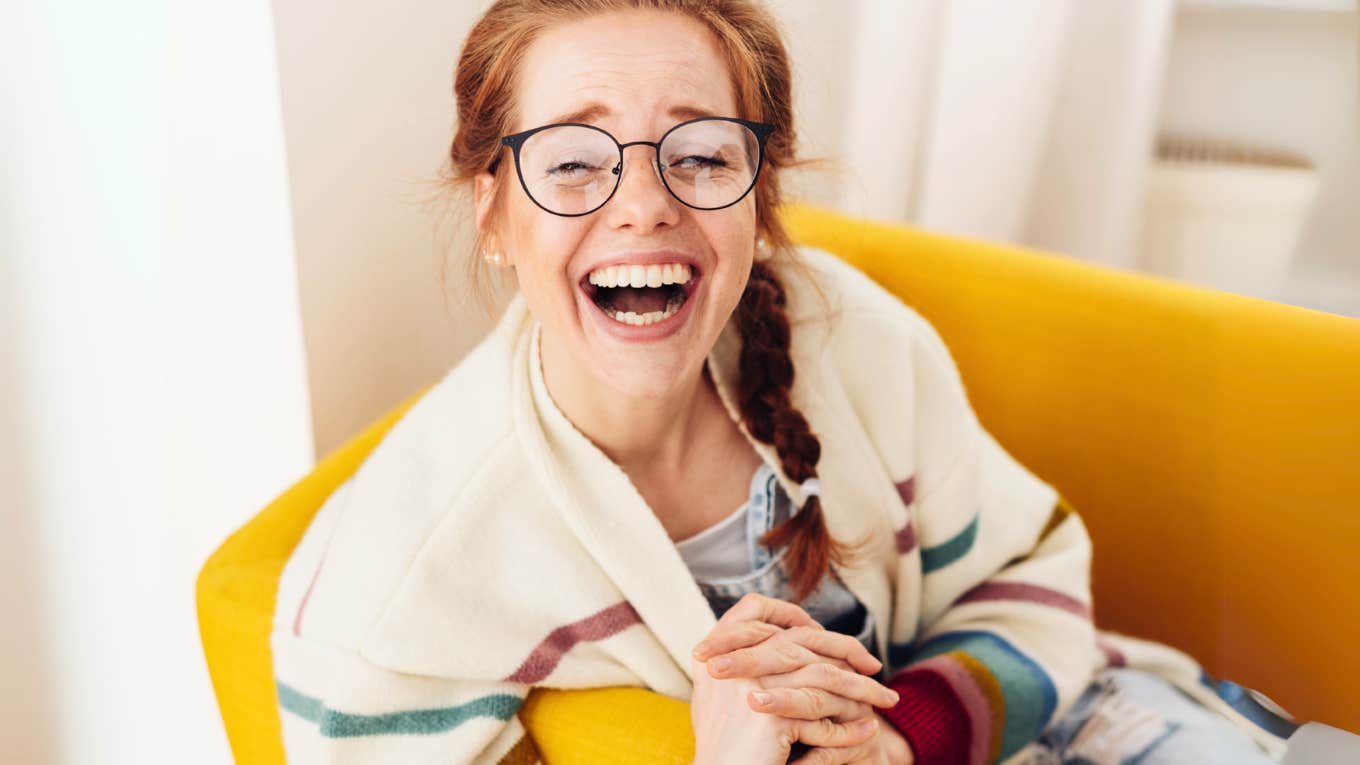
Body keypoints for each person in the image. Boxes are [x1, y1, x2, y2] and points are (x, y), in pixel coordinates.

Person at [269, 1, 1301, 763]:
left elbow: (1029, 585)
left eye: (704, 155)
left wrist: (911, 737)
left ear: (758, 199)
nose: (643, 204)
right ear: (495, 216)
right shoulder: (397, 592)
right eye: (576, 162)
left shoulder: (852, 337)